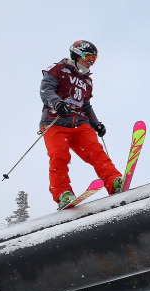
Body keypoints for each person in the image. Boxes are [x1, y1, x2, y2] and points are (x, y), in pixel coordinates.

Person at [39, 40, 123, 209]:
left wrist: (96, 123)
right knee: (59, 156)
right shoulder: (57, 70)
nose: (91, 62)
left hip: (79, 123)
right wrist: (56, 103)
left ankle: (113, 181)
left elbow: (86, 105)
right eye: (89, 57)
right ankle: (62, 193)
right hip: (55, 122)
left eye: (94, 60)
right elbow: (46, 90)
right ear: (77, 54)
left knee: (96, 152)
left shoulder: (87, 81)